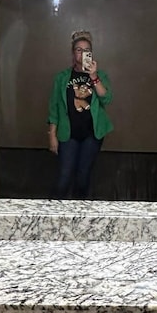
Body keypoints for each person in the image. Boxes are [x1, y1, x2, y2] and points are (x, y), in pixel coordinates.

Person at [47, 29, 113, 199]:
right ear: (72, 53)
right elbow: (54, 107)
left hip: (92, 134)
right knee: (64, 176)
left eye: (87, 51)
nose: (83, 53)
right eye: (79, 50)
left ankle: (79, 217)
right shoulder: (62, 78)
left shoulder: (100, 75)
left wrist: (94, 77)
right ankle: (54, 215)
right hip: (68, 134)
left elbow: (106, 99)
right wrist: (52, 135)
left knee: (83, 177)